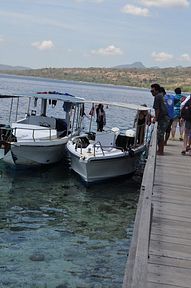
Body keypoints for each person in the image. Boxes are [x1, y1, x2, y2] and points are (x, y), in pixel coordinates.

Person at [150, 83, 169, 155]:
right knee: (160, 135)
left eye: (153, 91)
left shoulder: (157, 97)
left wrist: (155, 118)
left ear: (157, 90)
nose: (152, 93)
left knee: (160, 135)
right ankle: (160, 150)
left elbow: (157, 109)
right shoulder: (161, 95)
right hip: (165, 118)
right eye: (151, 91)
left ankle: (160, 151)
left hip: (163, 118)